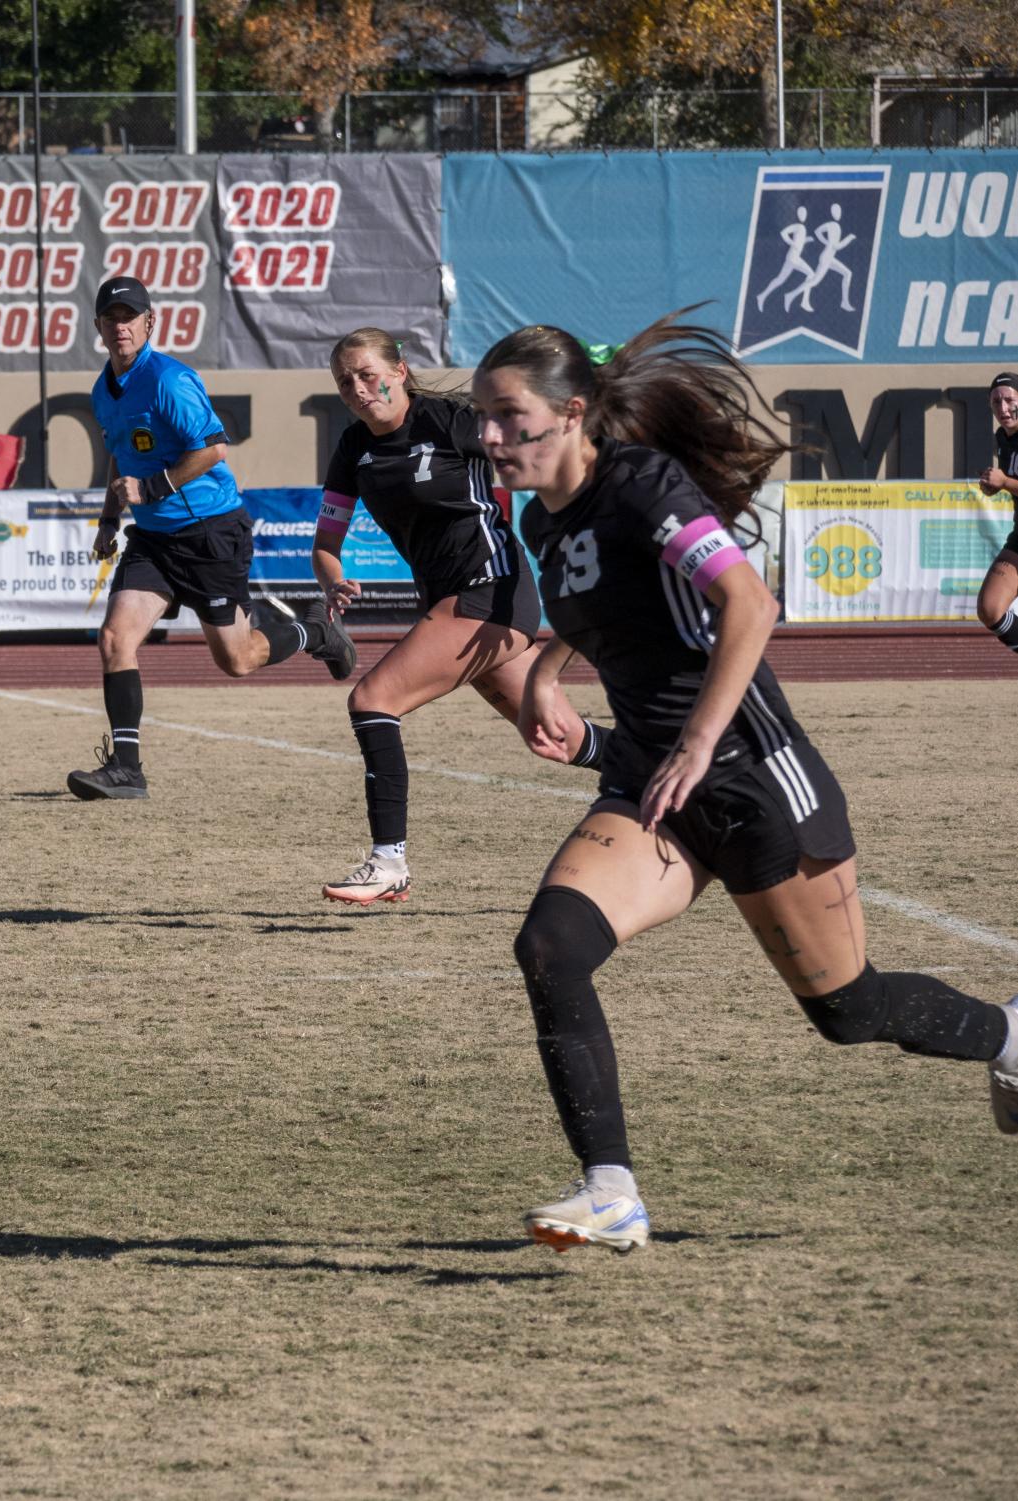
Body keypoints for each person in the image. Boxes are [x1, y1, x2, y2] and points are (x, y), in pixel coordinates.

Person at [473, 312, 1017, 1253]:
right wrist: (539, 672)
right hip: (656, 790)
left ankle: (1010, 1037)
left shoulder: (642, 483)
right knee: (549, 947)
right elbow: (602, 605)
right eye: (479, 416)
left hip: (757, 781)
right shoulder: (540, 519)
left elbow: (747, 603)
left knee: (846, 1012)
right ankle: (611, 1192)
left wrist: (696, 740)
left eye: (504, 415)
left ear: (569, 414)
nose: (486, 435)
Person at [311, 329, 609, 905]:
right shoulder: (353, 448)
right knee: (557, 736)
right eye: (345, 380)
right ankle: (681, 782)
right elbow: (326, 542)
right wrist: (332, 578)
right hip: (450, 602)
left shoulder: (448, 421)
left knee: (373, 700)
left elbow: (537, 447)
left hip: (490, 589)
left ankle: (388, 860)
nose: (357, 387)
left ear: (399, 369)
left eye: (367, 373)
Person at [68, 275, 355, 800]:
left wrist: (152, 487)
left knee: (238, 661)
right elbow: (120, 456)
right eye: (112, 319)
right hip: (153, 539)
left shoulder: (169, 380)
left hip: (209, 533)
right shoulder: (102, 390)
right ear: (99, 328)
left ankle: (314, 631)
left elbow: (215, 449)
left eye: (131, 317)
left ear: (149, 322)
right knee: (114, 639)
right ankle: (127, 770)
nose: (121, 326)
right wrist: (111, 519)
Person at [971, 371, 1018, 656]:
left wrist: (1005, 482)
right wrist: (995, 487)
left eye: (1010, 400)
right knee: (990, 608)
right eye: (996, 402)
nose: (1003, 408)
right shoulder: (1003, 438)